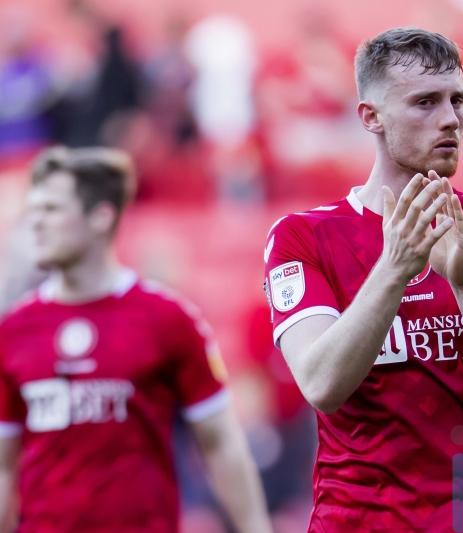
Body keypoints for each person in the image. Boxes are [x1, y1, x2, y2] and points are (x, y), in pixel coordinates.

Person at [263, 28, 463, 531]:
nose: (450, 119)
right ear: (370, 117)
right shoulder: (304, 238)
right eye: (425, 102)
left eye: (457, 100)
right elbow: (321, 383)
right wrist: (396, 267)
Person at [0, 147, 272, 533]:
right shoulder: (13, 331)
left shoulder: (168, 319)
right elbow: (3, 466)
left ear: (101, 217)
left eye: (52, 210)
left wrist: (255, 527)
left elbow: (219, 441)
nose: (36, 224)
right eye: (34, 210)